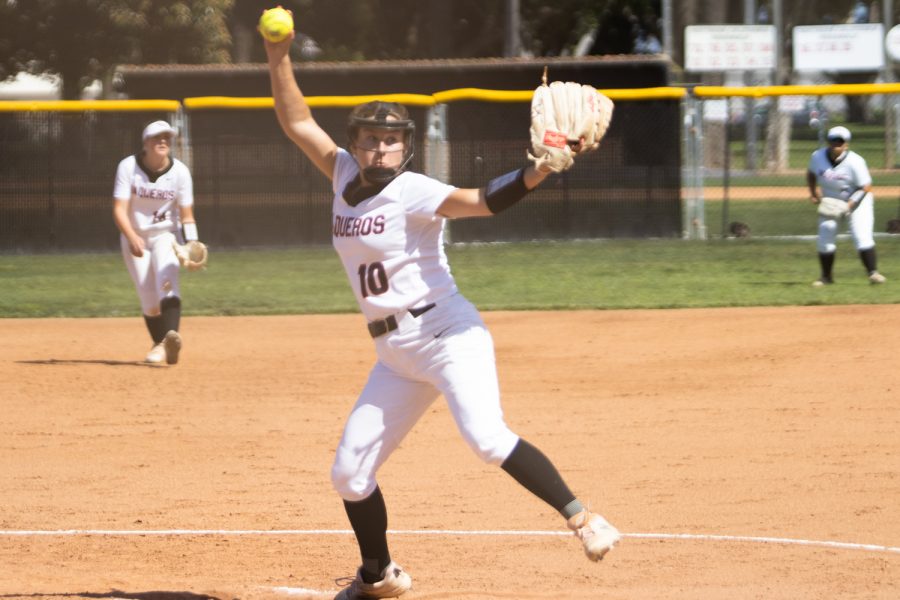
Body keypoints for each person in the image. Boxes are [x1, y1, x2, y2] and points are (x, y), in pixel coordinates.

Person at [262, 24, 620, 600]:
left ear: (407, 146)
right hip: (394, 356)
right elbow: (296, 120)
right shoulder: (343, 175)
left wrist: (540, 170)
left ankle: (585, 520)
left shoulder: (414, 191)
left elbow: (480, 201)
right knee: (349, 475)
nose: (380, 149)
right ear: (354, 144)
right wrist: (278, 55)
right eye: (369, 139)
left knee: (485, 438)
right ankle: (378, 576)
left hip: (447, 333)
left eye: (391, 140)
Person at [112, 120, 200, 364]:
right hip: (136, 235)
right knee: (149, 298)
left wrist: (191, 243)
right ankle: (161, 343)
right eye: (157, 138)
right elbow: (119, 209)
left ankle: (170, 338)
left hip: (165, 235)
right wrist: (131, 236)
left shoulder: (180, 172)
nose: (163, 142)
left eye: (167, 138)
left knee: (168, 280)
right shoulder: (128, 167)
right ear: (146, 143)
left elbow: (186, 214)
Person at [806, 125, 886, 287]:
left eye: (840, 141)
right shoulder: (817, 156)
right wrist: (813, 192)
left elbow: (866, 186)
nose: (836, 144)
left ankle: (873, 274)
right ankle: (826, 277)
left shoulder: (855, 161)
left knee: (861, 236)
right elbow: (811, 173)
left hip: (858, 202)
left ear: (846, 144)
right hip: (831, 202)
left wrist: (850, 204)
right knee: (825, 235)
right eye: (833, 140)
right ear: (828, 142)